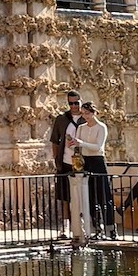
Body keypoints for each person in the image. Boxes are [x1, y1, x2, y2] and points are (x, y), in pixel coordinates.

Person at [75, 100, 113, 233]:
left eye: (87, 113)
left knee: (104, 195)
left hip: (98, 161)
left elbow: (98, 147)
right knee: (90, 195)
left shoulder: (101, 127)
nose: (85, 116)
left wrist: (81, 143)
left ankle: (110, 227)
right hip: (86, 161)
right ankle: (96, 226)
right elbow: (77, 146)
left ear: (93, 113)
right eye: (83, 113)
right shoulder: (81, 128)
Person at [49, 91, 83, 237]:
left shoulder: (85, 119)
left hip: (81, 163)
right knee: (64, 196)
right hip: (65, 162)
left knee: (81, 194)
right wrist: (57, 158)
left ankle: (81, 224)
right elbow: (55, 141)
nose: (74, 106)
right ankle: (65, 227)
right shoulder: (62, 119)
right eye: (71, 103)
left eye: (76, 103)